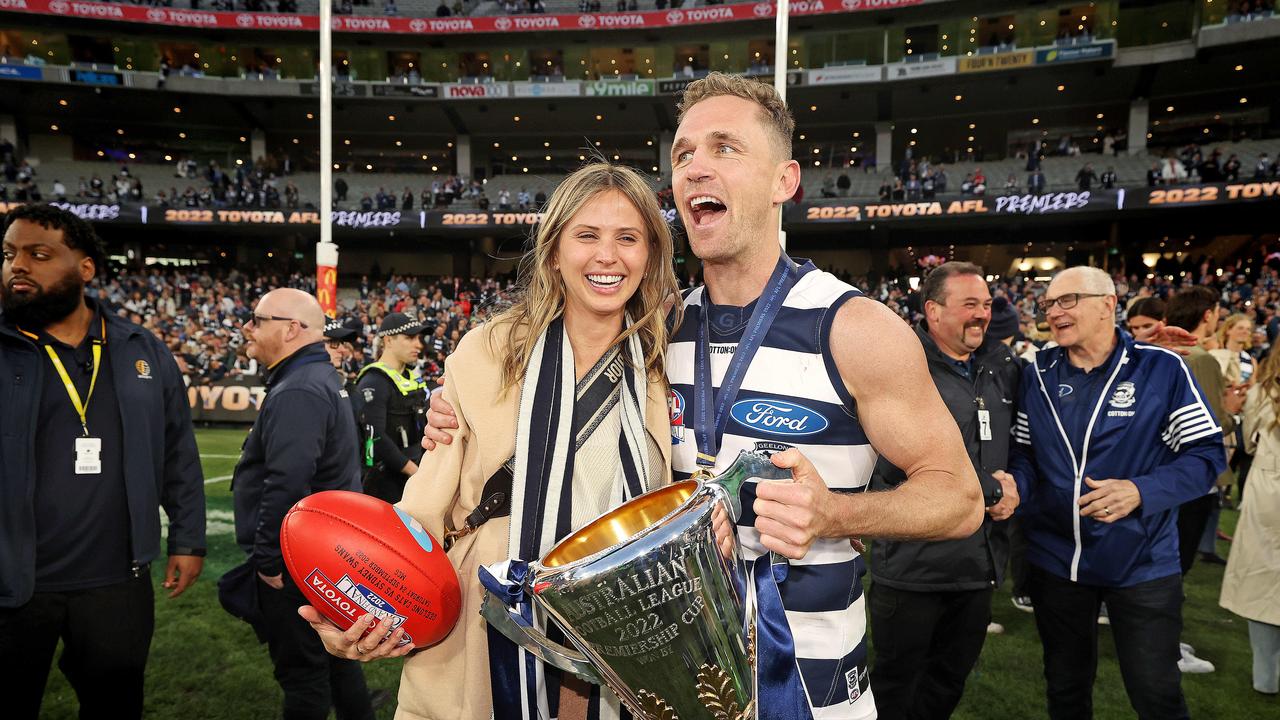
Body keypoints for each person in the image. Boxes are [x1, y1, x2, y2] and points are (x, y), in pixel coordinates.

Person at [425, 72, 984, 718]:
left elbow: (961, 499)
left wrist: (836, 515)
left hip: (810, 694)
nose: (695, 168)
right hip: (671, 691)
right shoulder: (657, 331)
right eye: (684, 154)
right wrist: (451, 416)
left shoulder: (854, 329)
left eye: (725, 148)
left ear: (785, 181)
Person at [304, 163, 682, 720]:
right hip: (480, 641)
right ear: (554, 251)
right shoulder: (488, 350)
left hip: (615, 657)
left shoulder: (664, 361)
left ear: (649, 254)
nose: (608, 256)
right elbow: (424, 512)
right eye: (587, 235)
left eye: (628, 238)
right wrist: (354, 614)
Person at [0, 204, 206, 719]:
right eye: (8, 254)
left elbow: (178, 448)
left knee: (115, 705)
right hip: (13, 579)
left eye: (38, 254)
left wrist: (187, 537)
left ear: (85, 267)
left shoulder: (141, 348)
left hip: (116, 578)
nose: (16, 265)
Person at [1009, 266, 1227, 720]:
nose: (1055, 312)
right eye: (1049, 303)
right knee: (1065, 688)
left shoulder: (1161, 368)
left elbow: (1207, 455)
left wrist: (1140, 491)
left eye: (1068, 300)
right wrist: (1015, 488)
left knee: (1156, 692)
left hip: (1143, 562)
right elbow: (1026, 456)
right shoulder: (1037, 372)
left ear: (1108, 304)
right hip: (1057, 560)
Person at [867, 262, 1021, 719]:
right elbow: (885, 467)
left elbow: (1023, 450)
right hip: (913, 566)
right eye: (969, 305)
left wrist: (1015, 487)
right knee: (895, 684)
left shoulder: (1001, 365)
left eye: (987, 305)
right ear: (933, 311)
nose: (982, 315)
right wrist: (988, 490)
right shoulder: (898, 365)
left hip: (979, 564)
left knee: (949, 681)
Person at [232, 288, 374, 720]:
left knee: (303, 677)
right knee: (335, 664)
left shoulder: (300, 387)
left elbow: (287, 480)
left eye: (258, 319)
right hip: (319, 554)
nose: (248, 327)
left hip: (297, 560)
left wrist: (269, 559)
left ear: (292, 329)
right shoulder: (315, 378)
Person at [1220, 348, 1280, 696]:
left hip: (1267, 492)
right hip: (1267, 487)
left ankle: (1266, 678)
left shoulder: (1262, 392)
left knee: (1262, 583)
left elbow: (1248, 444)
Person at [355, 312, 428, 504]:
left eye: (418, 338)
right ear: (388, 340)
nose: (418, 344)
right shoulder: (374, 381)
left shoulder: (412, 377)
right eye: (410, 338)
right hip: (386, 483)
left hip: (413, 474)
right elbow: (375, 437)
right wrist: (416, 473)